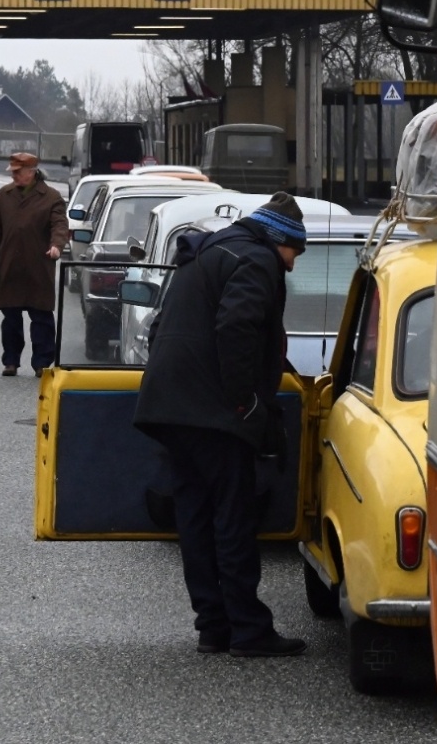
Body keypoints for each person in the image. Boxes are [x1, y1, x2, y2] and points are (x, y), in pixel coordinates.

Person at [132, 191, 308, 658]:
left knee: (195, 515)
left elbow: (159, 326)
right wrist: (245, 402)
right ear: (280, 239)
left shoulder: (209, 252)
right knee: (233, 516)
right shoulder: (257, 260)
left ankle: (213, 626)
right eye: (295, 252)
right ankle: (248, 630)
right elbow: (237, 328)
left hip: (171, 403)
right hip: (212, 411)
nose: (292, 265)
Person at [0, 151, 68, 376]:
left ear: (32, 172)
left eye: (18, 172)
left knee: (41, 318)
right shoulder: (4, 195)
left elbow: (60, 225)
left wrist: (57, 245)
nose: (14, 176)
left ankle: (41, 363)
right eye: (13, 172)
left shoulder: (51, 197)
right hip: (9, 265)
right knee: (10, 318)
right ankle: (11, 361)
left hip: (38, 266)